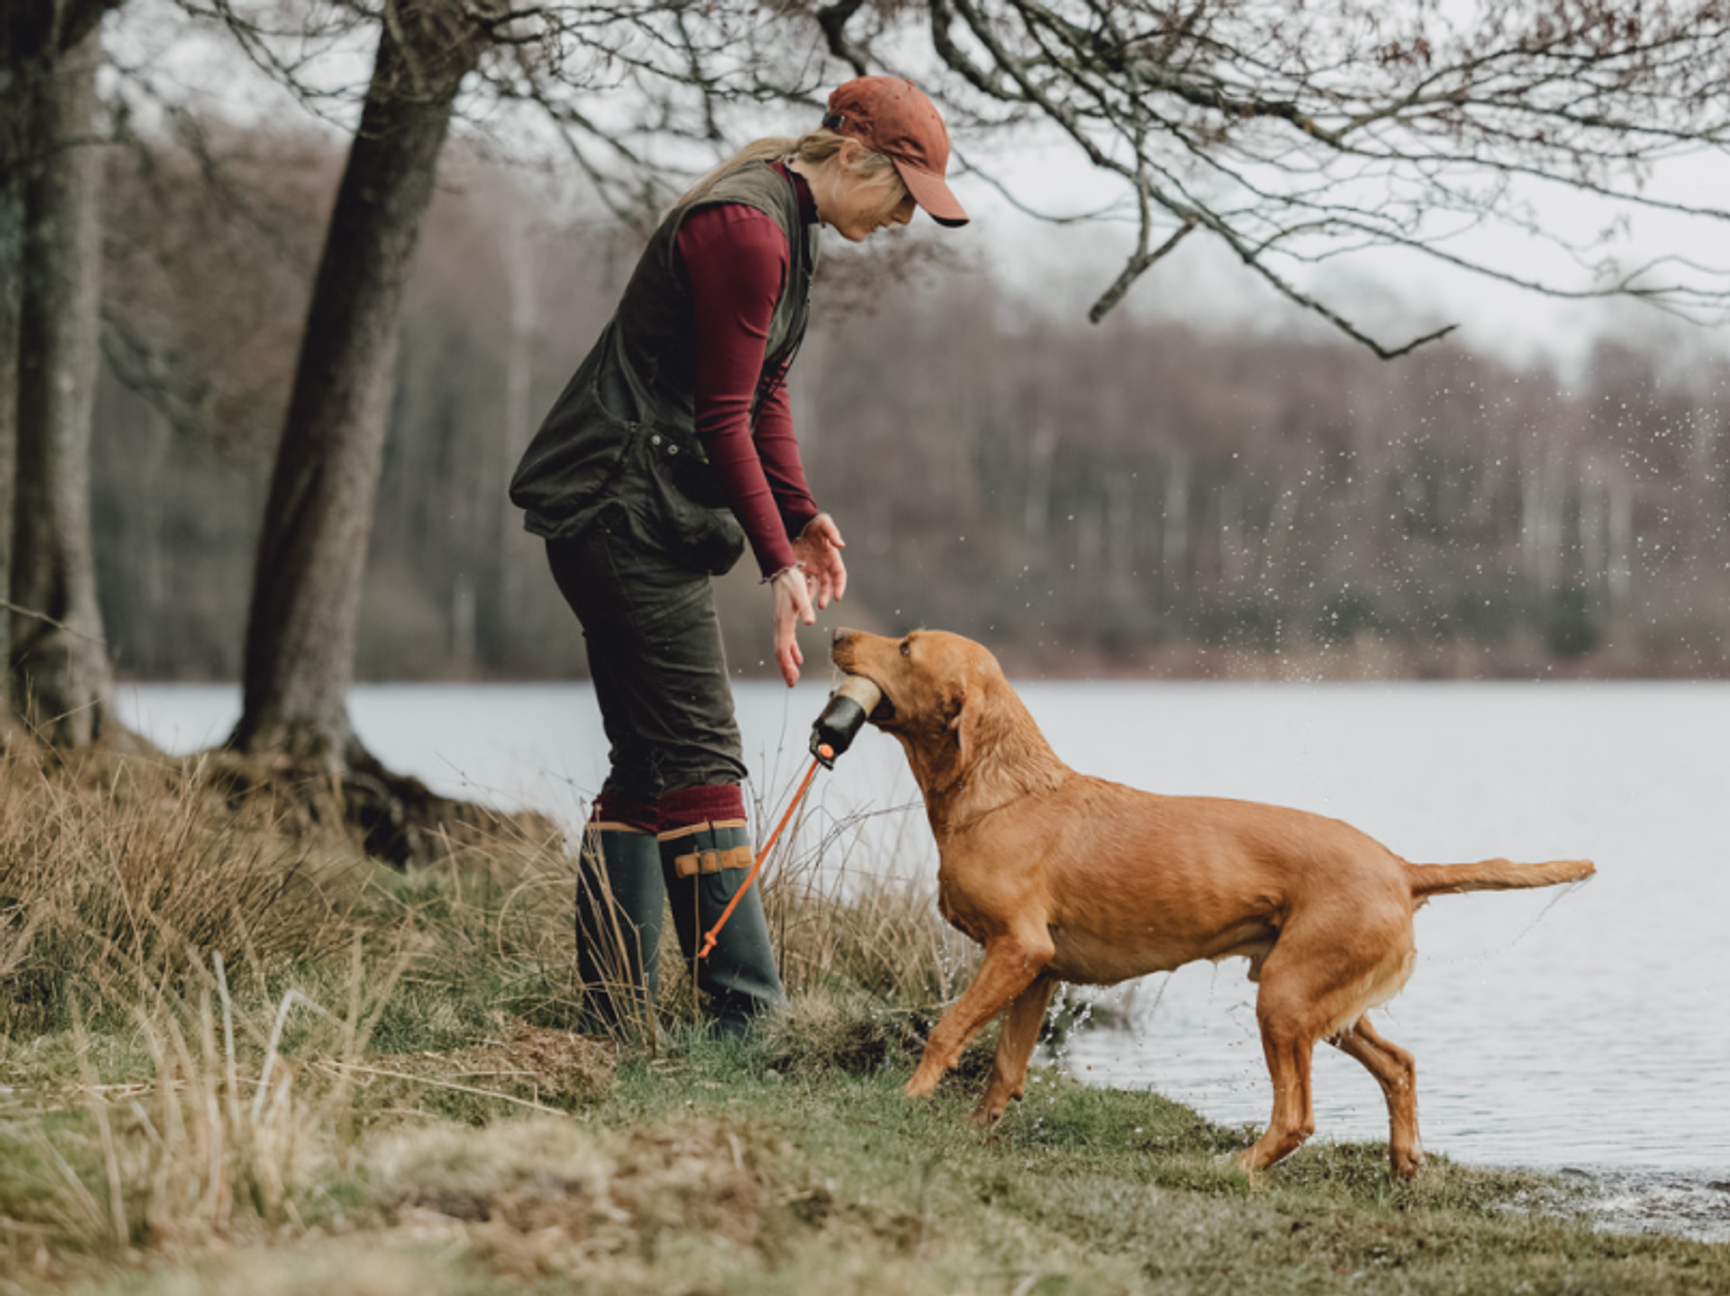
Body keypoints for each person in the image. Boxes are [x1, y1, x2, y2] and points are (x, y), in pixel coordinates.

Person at [510, 77, 970, 1040]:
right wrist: (775, 562)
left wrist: (801, 516)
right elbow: (721, 418)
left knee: (649, 764)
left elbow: (762, 394)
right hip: (614, 513)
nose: (902, 221)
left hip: (628, 514)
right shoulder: (748, 231)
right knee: (707, 760)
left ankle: (611, 1022)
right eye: (902, 195)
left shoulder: (785, 226)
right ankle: (748, 1025)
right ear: (852, 159)